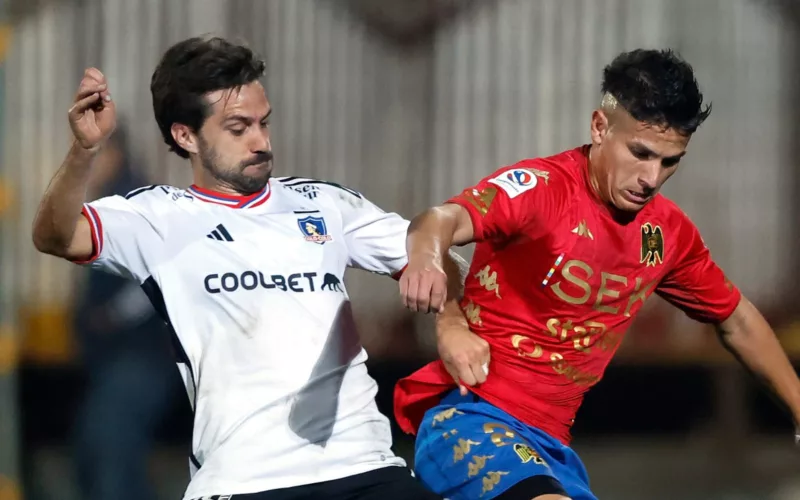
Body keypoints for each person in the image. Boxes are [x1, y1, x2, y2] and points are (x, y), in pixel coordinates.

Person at [32, 36, 462, 500]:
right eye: (239, 128)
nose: (261, 141)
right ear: (185, 135)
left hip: (365, 467)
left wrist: (452, 318)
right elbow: (55, 236)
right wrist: (84, 152)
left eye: (264, 122)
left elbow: (434, 250)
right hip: (245, 481)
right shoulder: (156, 218)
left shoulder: (325, 204)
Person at [393, 48, 800, 500]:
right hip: (470, 420)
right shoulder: (541, 190)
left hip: (550, 450)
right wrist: (433, 275)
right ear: (600, 127)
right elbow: (439, 220)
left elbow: (737, 320)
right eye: (640, 153)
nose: (651, 177)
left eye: (670, 162)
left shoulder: (665, 234)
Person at [72, 124, 181, 500]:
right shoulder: (117, 198)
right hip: (125, 358)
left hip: (139, 358)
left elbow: (155, 274)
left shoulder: (130, 201)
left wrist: (110, 317)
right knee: (103, 451)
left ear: (114, 154)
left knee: (111, 455)